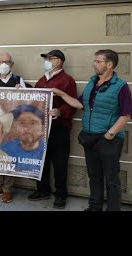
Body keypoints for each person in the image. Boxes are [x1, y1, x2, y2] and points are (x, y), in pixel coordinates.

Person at [52, 49, 132, 211]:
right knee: (94, 176)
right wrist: (62, 94)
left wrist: (110, 134)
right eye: (95, 61)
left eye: (98, 61)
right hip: (89, 137)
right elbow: (80, 104)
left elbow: (127, 114)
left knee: (111, 180)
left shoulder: (120, 86)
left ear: (109, 65)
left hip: (108, 140)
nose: (94, 64)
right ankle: (95, 207)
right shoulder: (92, 83)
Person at [27, 49, 77, 209]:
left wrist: (60, 111)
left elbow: (73, 104)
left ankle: (61, 194)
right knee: (41, 160)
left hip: (59, 128)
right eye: (46, 58)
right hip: (41, 129)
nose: (47, 61)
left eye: (51, 58)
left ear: (60, 61)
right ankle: (42, 190)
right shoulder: (42, 80)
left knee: (60, 163)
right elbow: (34, 99)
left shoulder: (68, 80)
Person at [0, 51, 26, 203]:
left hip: (12, 126)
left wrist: (20, 93)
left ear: (12, 64)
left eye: (7, 62)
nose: (4, 65)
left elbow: (27, 103)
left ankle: (7, 189)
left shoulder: (18, 81)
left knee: (9, 156)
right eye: (1, 61)